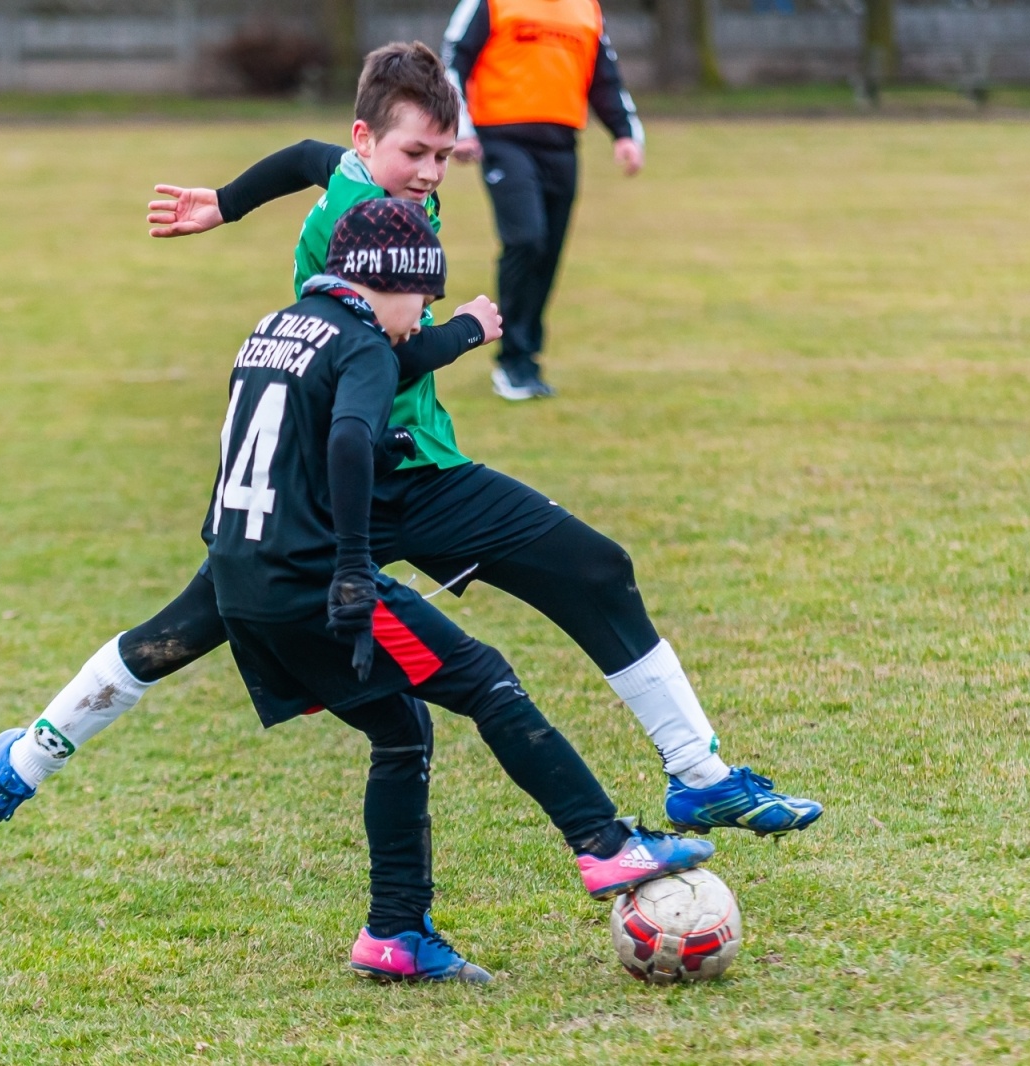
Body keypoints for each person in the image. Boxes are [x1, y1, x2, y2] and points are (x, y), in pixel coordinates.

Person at [0, 42, 820, 868]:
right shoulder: (350, 224)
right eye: (420, 154)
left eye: (445, 153)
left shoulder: (367, 171)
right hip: (359, 473)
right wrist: (465, 332)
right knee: (175, 637)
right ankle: (18, 764)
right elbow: (373, 367)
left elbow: (301, 152)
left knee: (593, 570)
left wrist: (226, 199)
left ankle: (700, 777)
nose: (434, 174)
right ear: (372, 140)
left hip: (371, 469)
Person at [205, 197, 712, 982]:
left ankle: (393, 934)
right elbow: (347, 437)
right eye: (425, 298)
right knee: (487, 680)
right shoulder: (366, 343)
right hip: (319, 582)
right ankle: (604, 845)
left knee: (401, 731)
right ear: (393, 282)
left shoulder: (276, 326)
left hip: (244, 586)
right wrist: (348, 564)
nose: (425, 315)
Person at [442, 0, 645, 400]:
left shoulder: (585, 8)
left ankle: (526, 359)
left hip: (562, 146)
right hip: (503, 140)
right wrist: (459, 127)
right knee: (526, 239)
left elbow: (604, 77)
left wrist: (625, 133)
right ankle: (512, 360)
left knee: (548, 251)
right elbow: (453, 61)